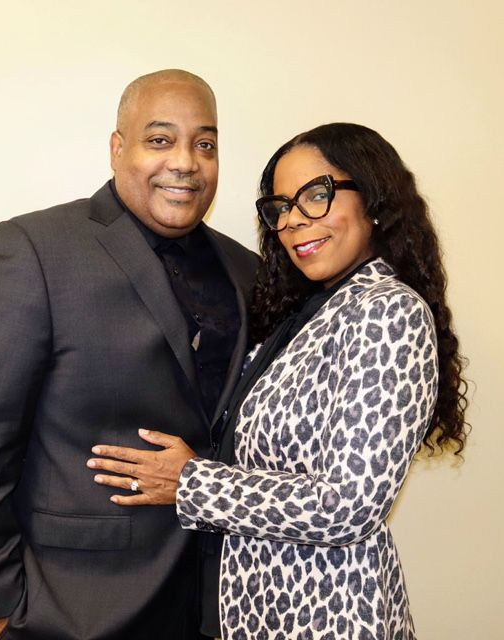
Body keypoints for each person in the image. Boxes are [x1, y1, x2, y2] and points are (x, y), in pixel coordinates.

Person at [88, 123, 469, 639]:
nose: (293, 222)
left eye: (317, 195)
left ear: (374, 200)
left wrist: (190, 481)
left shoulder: (388, 312)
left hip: (326, 617)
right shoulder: (309, 312)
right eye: (281, 206)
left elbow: (347, 507)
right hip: (255, 612)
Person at [0, 69, 259, 640]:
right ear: (117, 148)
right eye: (160, 139)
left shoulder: (246, 270)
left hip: (221, 605)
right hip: (74, 608)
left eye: (205, 144)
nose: (185, 161)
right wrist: (2, 605)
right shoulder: (31, 249)